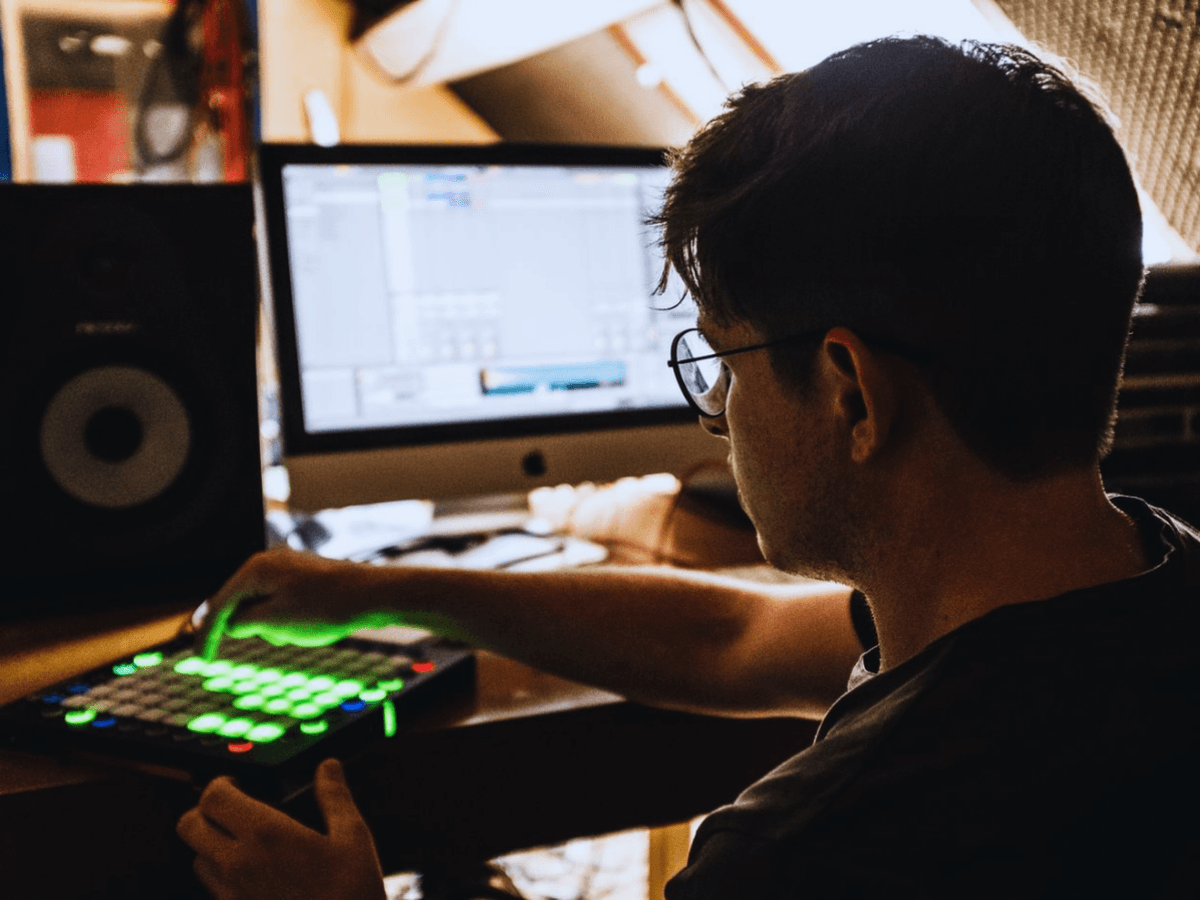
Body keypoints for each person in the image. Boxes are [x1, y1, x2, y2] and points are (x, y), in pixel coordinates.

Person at [178, 35, 1198, 899]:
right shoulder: (1131, 579)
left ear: (850, 394)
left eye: (725, 362)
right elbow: (733, 637)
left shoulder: (802, 851)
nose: (718, 414)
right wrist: (377, 592)